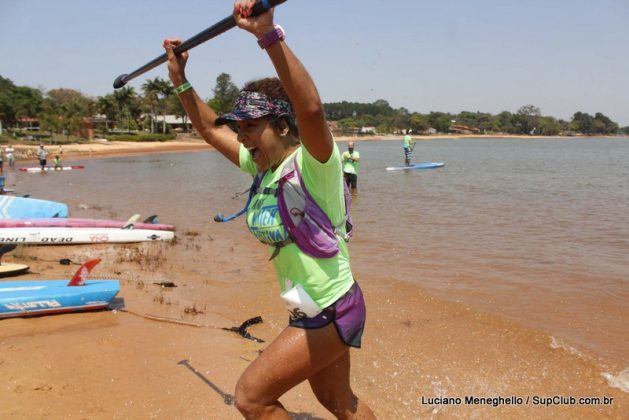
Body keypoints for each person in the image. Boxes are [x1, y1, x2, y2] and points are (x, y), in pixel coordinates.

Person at [164, 2, 375, 419]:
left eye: (249, 126)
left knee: (251, 397)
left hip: (331, 306)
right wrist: (180, 80)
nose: (241, 136)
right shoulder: (262, 165)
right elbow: (208, 128)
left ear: (282, 126)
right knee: (338, 402)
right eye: (239, 127)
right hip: (310, 307)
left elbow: (311, 108)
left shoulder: (313, 165)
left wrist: (268, 34)